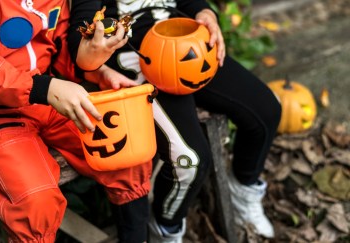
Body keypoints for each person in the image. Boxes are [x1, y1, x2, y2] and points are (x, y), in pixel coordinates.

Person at [0, 0, 152, 242]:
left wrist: (98, 71)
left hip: (51, 99)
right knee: (36, 201)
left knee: (124, 155)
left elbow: (60, 47)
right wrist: (43, 88)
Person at [67, 0, 281, 241]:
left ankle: (244, 189)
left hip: (186, 42)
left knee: (267, 110)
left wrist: (205, 13)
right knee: (189, 159)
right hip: (134, 58)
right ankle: (166, 228)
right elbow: (79, 38)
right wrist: (94, 64)